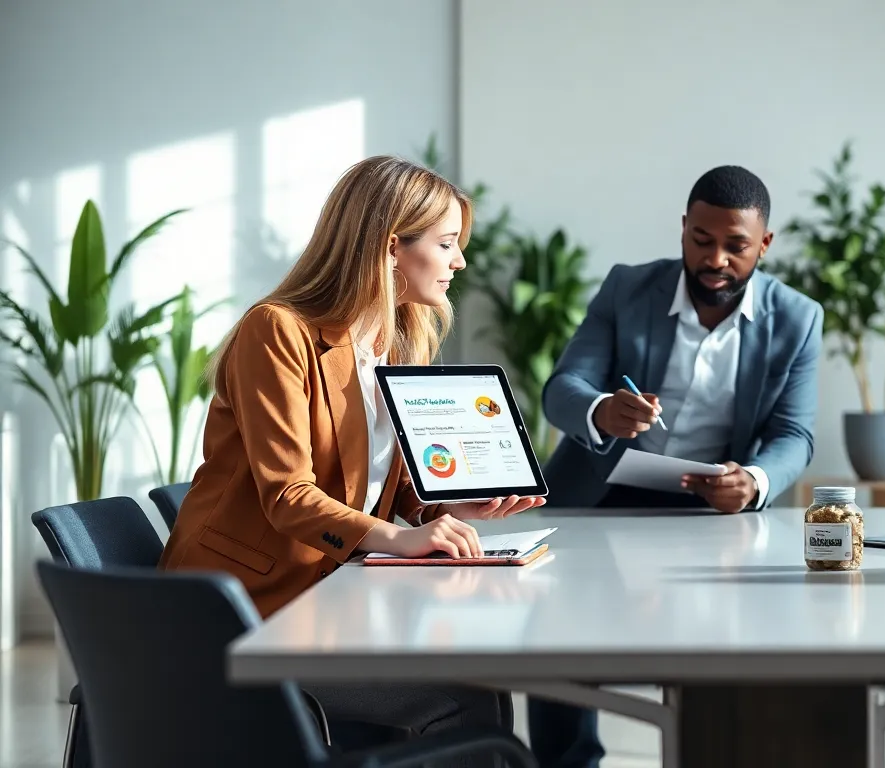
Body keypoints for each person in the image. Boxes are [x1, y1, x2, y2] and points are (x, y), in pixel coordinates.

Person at [159, 156, 544, 766]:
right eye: (447, 244)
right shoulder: (277, 331)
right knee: (460, 695)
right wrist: (401, 539)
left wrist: (447, 506)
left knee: (476, 676)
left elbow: (379, 485)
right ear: (391, 247)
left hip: (332, 598)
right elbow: (289, 496)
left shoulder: (397, 342)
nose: (460, 262)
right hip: (250, 614)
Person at [529, 165, 823, 767]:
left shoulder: (798, 318)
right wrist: (602, 410)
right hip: (600, 498)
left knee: (714, 660)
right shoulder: (627, 288)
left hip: (712, 511)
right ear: (683, 228)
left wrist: (755, 481)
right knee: (560, 644)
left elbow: (793, 434)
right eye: (701, 240)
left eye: (736, 246)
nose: (715, 260)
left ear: (765, 243)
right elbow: (562, 389)